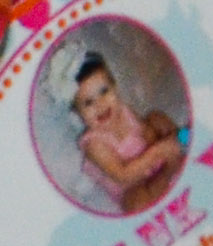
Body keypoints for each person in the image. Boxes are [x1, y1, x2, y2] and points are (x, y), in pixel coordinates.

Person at [67, 49, 185, 212]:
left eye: (104, 91)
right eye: (88, 103)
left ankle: (182, 140)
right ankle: (171, 168)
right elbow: (122, 176)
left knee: (155, 117)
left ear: (114, 86)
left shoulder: (124, 111)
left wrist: (157, 142)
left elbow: (145, 132)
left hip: (151, 160)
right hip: (131, 185)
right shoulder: (94, 144)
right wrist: (158, 152)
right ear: (78, 113)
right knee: (135, 202)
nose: (100, 105)